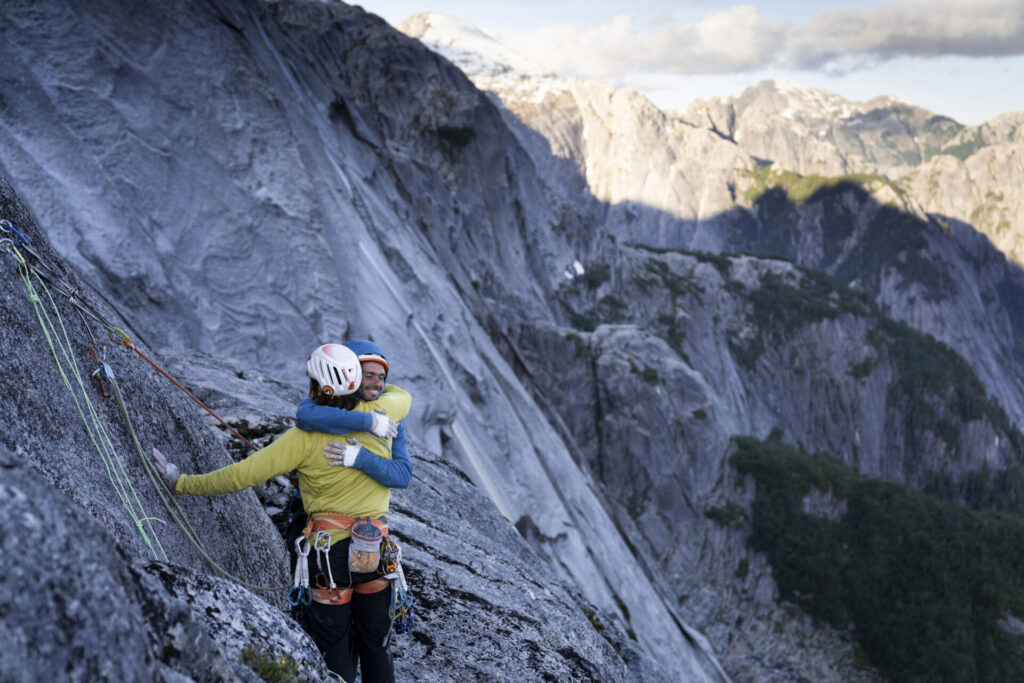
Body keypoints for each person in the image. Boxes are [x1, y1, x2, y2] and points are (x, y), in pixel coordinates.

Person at [151, 341, 412, 683]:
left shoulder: (301, 438)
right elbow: (398, 401)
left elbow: (239, 476)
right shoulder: (385, 423)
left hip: (328, 557)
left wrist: (179, 481)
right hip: (374, 551)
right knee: (377, 649)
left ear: (319, 386)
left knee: (334, 652)